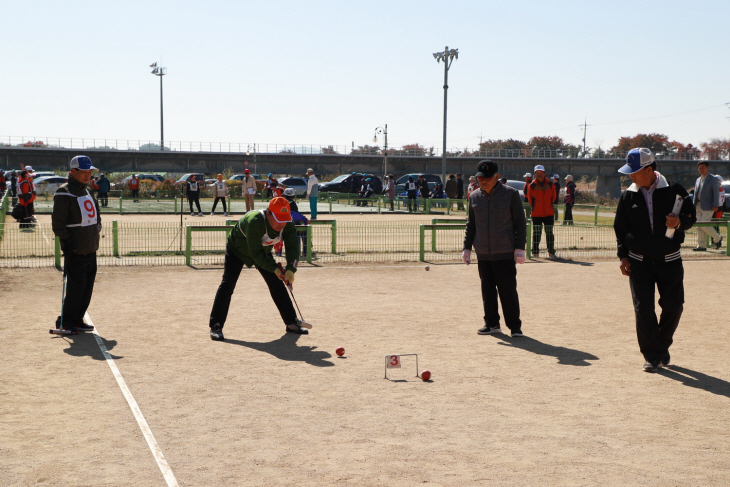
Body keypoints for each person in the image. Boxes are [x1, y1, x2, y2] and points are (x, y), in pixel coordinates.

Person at [614, 147, 696, 373]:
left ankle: (660, 345)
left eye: (634, 171)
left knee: (674, 306)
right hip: (638, 262)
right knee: (643, 309)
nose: (630, 176)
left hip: (670, 260)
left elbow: (691, 217)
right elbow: (620, 228)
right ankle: (651, 356)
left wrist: (678, 223)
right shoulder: (628, 195)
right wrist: (623, 255)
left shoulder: (676, 191)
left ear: (649, 170)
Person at [208, 197, 309, 341]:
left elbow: (293, 247)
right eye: (278, 218)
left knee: (276, 285)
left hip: (263, 252)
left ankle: (291, 322)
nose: (282, 223)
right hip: (237, 250)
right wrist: (275, 268)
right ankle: (216, 325)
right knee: (227, 285)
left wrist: (291, 269)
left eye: (285, 218)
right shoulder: (255, 221)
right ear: (269, 214)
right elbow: (255, 253)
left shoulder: (287, 224)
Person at [463, 160, 526, 337]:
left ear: (497, 177)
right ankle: (491, 324)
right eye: (480, 177)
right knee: (487, 291)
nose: (483, 180)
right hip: (483, 252)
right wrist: (467, 248)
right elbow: (471, 225)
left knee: (508, 291)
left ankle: (515, 326)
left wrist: (519, 248)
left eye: (487, 177)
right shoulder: (474, 196)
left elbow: (520, 223)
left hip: (505, 252)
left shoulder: (511, 194)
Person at [52, 155, 101, 334]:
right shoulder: (64, 192)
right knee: (76, 287)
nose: (88, 175)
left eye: (89, 171)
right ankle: (65, 321)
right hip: (75, 249)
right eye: (84, 172)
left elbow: (96, 211)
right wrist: (67, 243)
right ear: (73, 172)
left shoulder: (87, 190)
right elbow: (58, 223)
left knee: (87, 287)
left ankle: (78, 319)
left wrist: (99, 224)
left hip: (91, 246)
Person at [527, 165, 557, 258]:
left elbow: (553, 197)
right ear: (535, 174)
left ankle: (551, 252)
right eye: (537, 173)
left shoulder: (551, 184)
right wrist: (536, 207)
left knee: (549, 233)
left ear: (544, 173)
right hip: (536, 214)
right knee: (536, 233)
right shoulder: (531, 185)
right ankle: (535, 252)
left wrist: (548, 205)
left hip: (549, 213)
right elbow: (530, 199)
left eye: (540, 172)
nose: (539, 174)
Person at [692, 161, 722, 251]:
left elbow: (716, 193)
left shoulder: (713, 179)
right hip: (698, 204)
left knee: (705, 224)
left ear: (707, 168)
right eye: (700, 168)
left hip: (708, 205)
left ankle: (718, 238)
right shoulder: (698, 179)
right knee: (699, 226)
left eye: (703, 168)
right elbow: (695, 193)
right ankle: (702, 246)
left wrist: (715, 205)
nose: (701, 169)